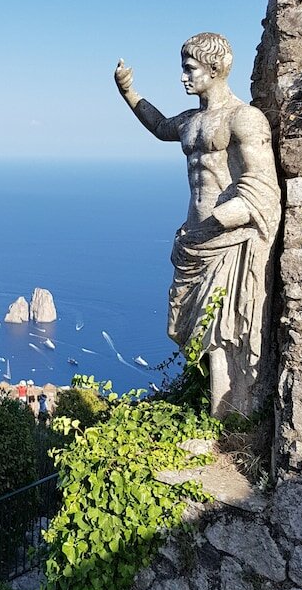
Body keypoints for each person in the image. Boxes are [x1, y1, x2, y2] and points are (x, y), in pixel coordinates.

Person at [115, 32, 280, 418]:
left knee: (222, 331)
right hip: (194, 238)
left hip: (226, 239)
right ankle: (217, 412)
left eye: (189, 69)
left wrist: (223, 220)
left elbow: (263, 186)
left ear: (215, 68)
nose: (183, 77)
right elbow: (158, 126)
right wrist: (128, 92)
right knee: (193, 330)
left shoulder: (245, 118)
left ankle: (226, 419)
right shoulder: (191, 120)